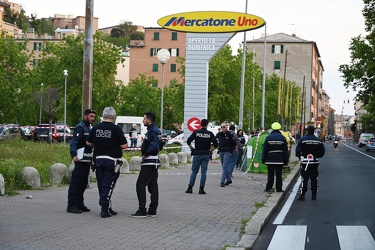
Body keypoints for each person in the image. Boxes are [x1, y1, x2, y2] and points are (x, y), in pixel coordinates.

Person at [86, 107, 128, 218]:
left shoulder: (96, 128)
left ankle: (107, 206)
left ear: (103, 116)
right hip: (112, 161)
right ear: (113, 117)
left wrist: (99, 144)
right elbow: (124, 145)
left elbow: (88, 142)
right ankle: (104, 208)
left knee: (101, 184)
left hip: (98, 159)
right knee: (108, 185)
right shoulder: (116, 129)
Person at [130, 112, 164, 218]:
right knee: (153, 186)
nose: (143, 120)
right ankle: (152, 210)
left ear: (149, 120)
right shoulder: (156, 130)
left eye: (144, 118)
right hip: (154, 162)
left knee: (140, 185)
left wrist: (146, 153)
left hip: (149, 162)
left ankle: (142, 210)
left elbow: (154, 146)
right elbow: (160, 144)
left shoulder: (152, 131)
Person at [67, 109, 96, 214]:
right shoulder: (80, 128)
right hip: (80, 159)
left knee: (83, 183)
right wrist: (73, 155)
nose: (93, 118)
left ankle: (80, 203)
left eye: (93, 117)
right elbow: (74, 142)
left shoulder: (89, 127)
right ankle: (71, 205)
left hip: (87, 159)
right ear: (85, 116)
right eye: (91, 116)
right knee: (76, 183)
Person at [185, 119, 218, 194]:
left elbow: (188, 141)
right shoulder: (210, 134)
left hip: (197, 154)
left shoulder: (196, 132)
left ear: (200, 124)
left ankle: (190, 188)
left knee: (194, 172)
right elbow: (216, 144)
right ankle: (201, 189)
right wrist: (211, 150)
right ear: (207, 125)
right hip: (206, 154)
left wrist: (192, 148)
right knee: (203, 172)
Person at [295, 125, 325, 201]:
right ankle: (314, 195)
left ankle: (302, 195)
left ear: (307, 131)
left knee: (304, 179)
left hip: (305, 162)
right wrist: (317, 156)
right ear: (314, 131)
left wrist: (300, 157)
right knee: (314, 178)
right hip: (314, 162)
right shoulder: (318, 140)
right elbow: (322, 151)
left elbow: (297, 150)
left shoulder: (303, 140)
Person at [262, 122, 289, 192]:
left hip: (270, 159)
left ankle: (268, 188)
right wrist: (286, 160)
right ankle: (279, 188)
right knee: (279, 174)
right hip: (280, 159)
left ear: (272, 128)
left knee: (270, 174)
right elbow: (285, 150)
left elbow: (265, 149)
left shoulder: (268, 137)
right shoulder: (283, 138)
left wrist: (263, 158)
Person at [217, 122, 237, 187]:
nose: (222, 128)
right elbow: (214, 139)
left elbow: (234, 143)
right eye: (221, 127)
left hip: (227, 151)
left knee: (225, 166)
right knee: (224, 166)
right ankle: (228, 179)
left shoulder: (229, 135)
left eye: (224, 127)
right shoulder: (219, 134)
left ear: (226, 127)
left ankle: (222, 182)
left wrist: (235, 150)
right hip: (221, 151)